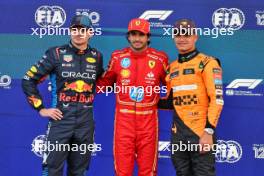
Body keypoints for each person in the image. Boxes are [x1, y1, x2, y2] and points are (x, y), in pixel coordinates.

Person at [22, 15, 104, 176]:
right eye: (75, 29)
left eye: (83, 30)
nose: (78, 33)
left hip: (85, 123)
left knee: (79, 171)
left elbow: (101, 80)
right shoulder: (56, 54)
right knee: (52, 170)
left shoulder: (97, 56)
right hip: (61, 121)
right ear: (69, 31)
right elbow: (28, 80)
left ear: (91, 33)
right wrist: (41, 108)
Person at [96, 18, 168, 176]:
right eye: (133, 34)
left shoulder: (160, 59)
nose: (137, 38)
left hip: (148, 122)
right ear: (128, 36)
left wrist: (166, 102)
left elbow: (172, 85)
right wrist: (86, 77)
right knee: (122, 171)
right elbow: (103, 84)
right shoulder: (117, 57)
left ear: (148, 37)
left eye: (141, 35)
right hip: (124, 122)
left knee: (148, 171)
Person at [158, 19, 224, 176]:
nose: (182, 38)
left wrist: (208, 132)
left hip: (200, 132)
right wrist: (143, 99)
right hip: (178, 133)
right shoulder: (171, 67)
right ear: (173, 37)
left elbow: (217, 99)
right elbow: (168, 102)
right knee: (181, 173)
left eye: (187, 34)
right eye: (178, 34)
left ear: (195, 37)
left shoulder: (208, 63)